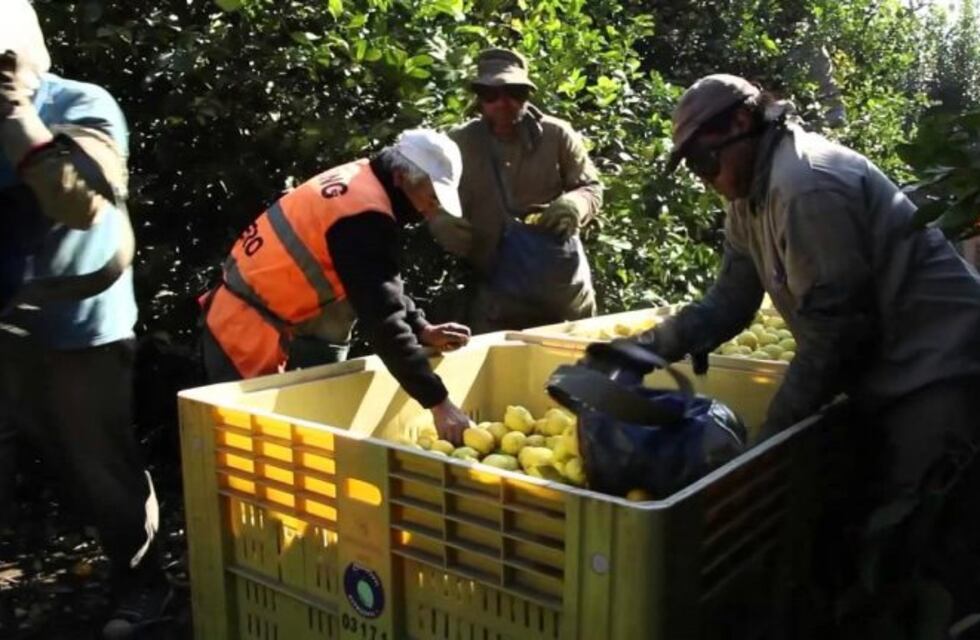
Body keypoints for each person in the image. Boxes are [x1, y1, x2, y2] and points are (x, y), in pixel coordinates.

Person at [630, 73, 980, 630]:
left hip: (937, 368)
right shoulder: (748, 196)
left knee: (923, 538)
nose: (705, 179)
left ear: (742, 123)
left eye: (704, 161)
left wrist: (765, 446)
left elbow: (836, 334)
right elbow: (729, 301)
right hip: (884, 374)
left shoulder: (805, 184)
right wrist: (641, 353)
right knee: (875, 538)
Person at [0, 1, 170, 637]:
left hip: (81, 334)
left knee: (103, 472)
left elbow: (82, 204)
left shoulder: (80, 104)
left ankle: (144, 585)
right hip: (7, 332)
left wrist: (16, 115)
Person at [200, 129, 474, 443]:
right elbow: (381, 319)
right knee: (252, 452)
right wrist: (439, 403)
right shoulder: (361, 218)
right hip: (244, 333)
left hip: (264, 319)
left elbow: (376, 282)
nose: (430, 209)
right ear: (400, 177)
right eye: (431, 197)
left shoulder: (362, 183)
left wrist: (421, 327)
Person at [445, 48, 603, 333]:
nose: (503, 103)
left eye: (514, 93)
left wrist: (575, 204)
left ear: (527, 95)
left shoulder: (557, 135)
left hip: (560, 285)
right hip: (493, 288)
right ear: (479, 98)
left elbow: (590, 187)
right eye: (492, 95)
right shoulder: (458, 143)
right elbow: (425, 192)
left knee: (574, 363)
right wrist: (438, 219)